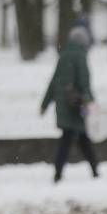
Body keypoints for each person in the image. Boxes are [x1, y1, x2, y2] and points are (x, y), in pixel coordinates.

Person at [40, 23, 99, 183]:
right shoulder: (80, 56)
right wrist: (90, 103)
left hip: (64, 106)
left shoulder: (64, 55)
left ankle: (63, 173)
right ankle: (93, 172)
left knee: (75, 138)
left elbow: (53, 81)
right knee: (78, 139)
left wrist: (45, 103)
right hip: (77, 106)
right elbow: (85, 83)